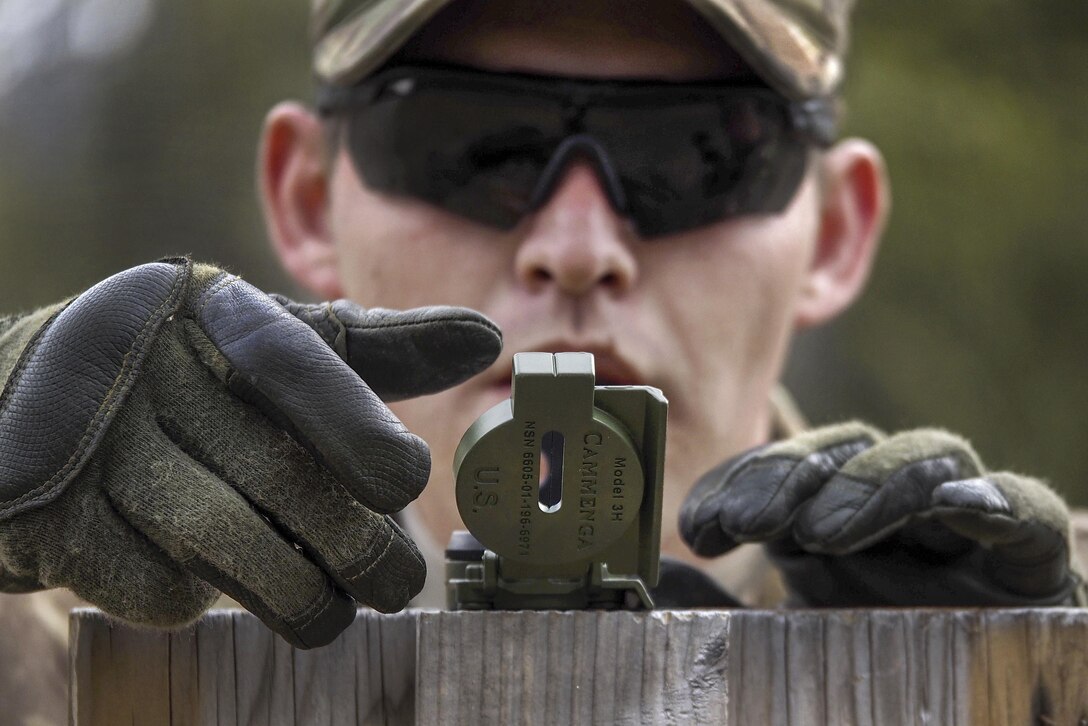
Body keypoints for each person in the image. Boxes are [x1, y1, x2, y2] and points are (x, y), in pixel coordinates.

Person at [0, 0, 1084, 723]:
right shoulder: (71, 640)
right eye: (475, 146)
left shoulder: (1045, 608)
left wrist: (1030, 682)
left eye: (694, 155)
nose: (575, 251)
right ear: (303, 197)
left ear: (836, 231)